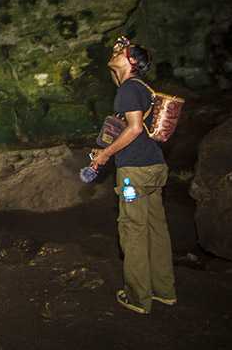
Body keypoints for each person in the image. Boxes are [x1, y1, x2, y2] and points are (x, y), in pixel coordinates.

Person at [90, 36, 177, 315]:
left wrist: (104, 156)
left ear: (130, 61)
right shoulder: (138, 87)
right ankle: (164, 291)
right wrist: (125, 50)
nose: (113, 53)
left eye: (119, 51)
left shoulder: (129, 89)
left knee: (133, 230)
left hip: (134, 173)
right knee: (156, 228)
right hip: (154, 168)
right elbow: (119, 77)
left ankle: (138, 297)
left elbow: (135, 128)